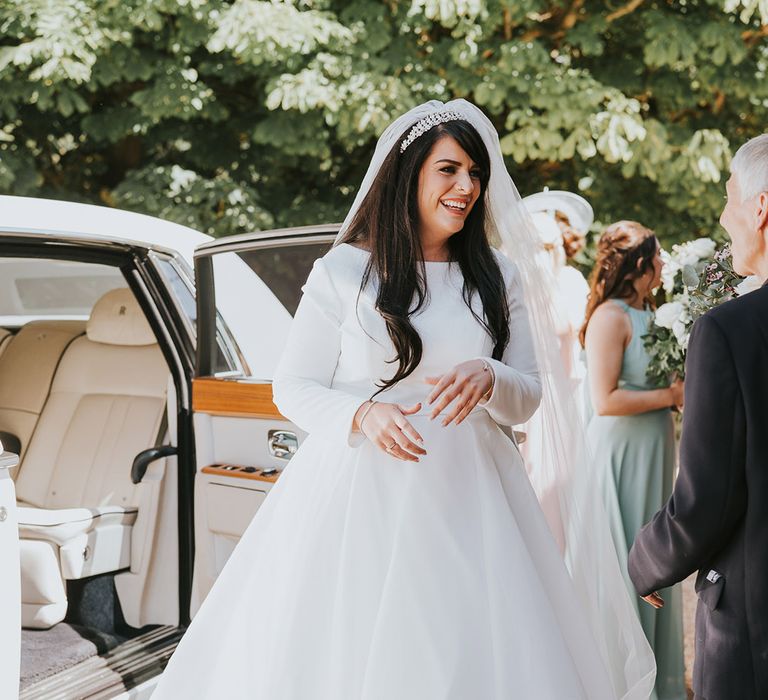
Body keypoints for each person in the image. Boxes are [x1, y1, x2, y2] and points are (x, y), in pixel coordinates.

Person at [152, 101, 654, 699]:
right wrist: (362, 412)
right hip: (363, 494)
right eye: (448, 169)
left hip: (477, 500)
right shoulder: (344, 270)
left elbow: (530, 398)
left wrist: (492, 376)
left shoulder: (500, 274)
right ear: (408, 173)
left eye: (475, 172)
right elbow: (293, 385)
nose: (466, 186)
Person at [628, 135, 768, 699]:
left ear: (761, 208)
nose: (722, 214)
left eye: (730, 197)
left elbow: (706, 501)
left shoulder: (732, 330)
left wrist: (645, 560)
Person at [581, 220, 686, 700]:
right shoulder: (611, 316)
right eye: (659, 256)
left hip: (656, 448)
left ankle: (657, 682)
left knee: (656, 557)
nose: (664, 264)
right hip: (621, 452)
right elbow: (604, 399)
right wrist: (670, 394)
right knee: (623, 562)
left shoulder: (659, 314)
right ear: (640, 263)